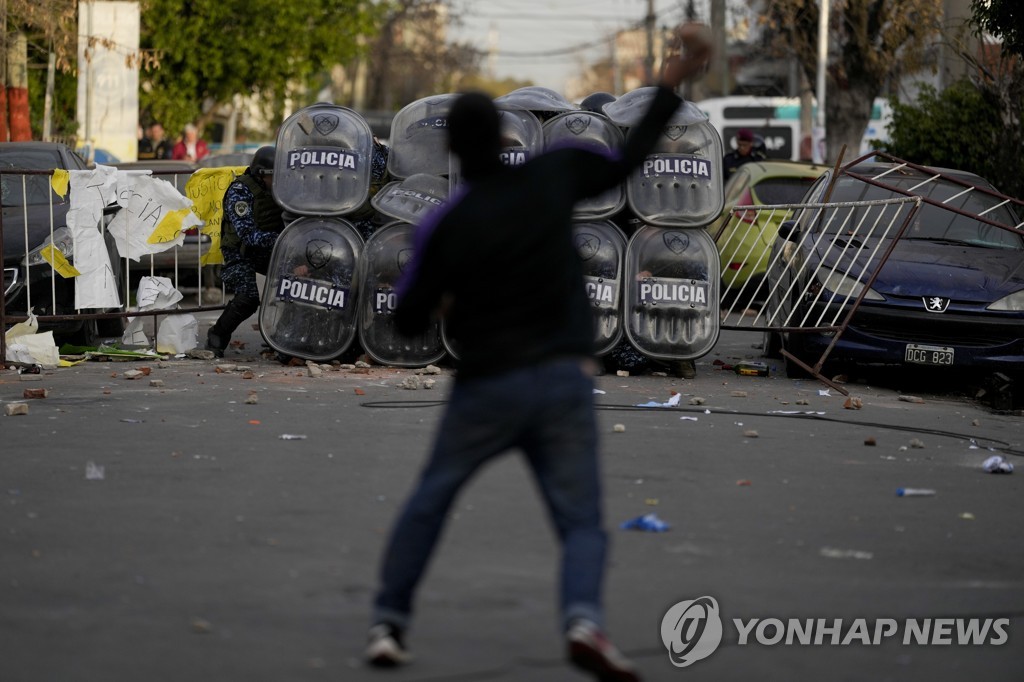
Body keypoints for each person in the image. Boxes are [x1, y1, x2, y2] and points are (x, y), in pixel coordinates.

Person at [365, 22, 712, 681]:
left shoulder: (447, 222)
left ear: (452, 153)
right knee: (580, 520)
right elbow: (629, 161)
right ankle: (584, 620)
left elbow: (406, 319)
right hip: (560, 380)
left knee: (430, 501)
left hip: (486, 386)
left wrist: (446, 300)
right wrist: (670, 83)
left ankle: (389, 623)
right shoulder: (552, 176)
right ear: (503, 139)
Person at [205, 146, 285, 357]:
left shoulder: (281, 190)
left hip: (267, 248)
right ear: (260, 174)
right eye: (273, 176)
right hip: (239, 251)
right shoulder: (239, 191)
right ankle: (217, 335)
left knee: (294, 285)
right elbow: (247, 235)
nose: (277, 180)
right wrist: (285, 241)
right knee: (248, 298)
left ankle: (284, 339)